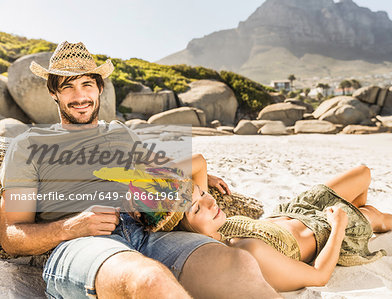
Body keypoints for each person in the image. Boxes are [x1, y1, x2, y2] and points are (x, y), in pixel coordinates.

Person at [0, 41, 280, 298]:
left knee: (238, 263)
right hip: (82, 245)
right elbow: (11, 235)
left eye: (87, 84)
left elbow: (158, 172)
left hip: (148, 233)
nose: (79, 96)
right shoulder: (28, 145)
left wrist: (199, 175)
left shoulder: (120, 133)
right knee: (149, 280)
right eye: (68, 87)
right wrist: (71, 227)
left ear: (100, 88)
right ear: (53, 92)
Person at [174, 157, 392, 292]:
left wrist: (197, 182)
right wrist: (338, 225)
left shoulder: (209, 223)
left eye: (202, 193)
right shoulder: (244, 253)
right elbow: (319, 276)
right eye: (196, 207)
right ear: (184, 230)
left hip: (295, 209)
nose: (209, 202)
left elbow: (198, 161)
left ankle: (363, 217)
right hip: (324, 229)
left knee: (363, 172)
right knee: (375, 216)